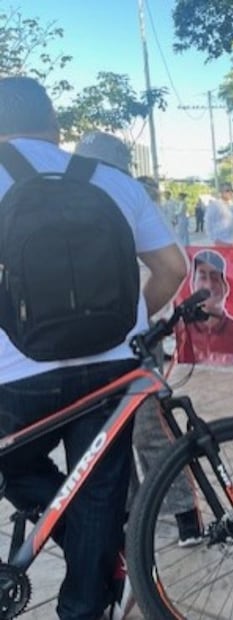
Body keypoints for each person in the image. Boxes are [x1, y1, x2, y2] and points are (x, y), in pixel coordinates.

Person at [0, 76, 187, 619]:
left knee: (17, 471)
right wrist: (130, 326)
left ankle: (82, 534)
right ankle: (86, 603)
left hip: (16, 373)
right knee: (100, 493)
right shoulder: (114, 181)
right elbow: (171, 269)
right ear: (56, 127)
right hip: (110, 372)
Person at [75, 131, 202, 551]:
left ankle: (176, 516)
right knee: (122, 435)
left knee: (132, 433)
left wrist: (136, 319)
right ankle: (145, 517)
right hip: (118, 339)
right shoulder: (111, 196)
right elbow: (172, 269)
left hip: (118, 342)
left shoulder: (118, 199)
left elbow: (171, 267)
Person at [176, 249, 233, 366]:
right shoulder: (181, 330)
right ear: (192, 284)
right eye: (203, 277)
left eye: (215, 278)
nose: (209, 285)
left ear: (225, 286)